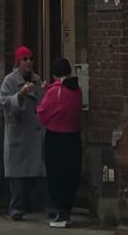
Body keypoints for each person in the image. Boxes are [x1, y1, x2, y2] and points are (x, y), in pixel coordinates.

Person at [0, 46, 45, 221]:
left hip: (34, 132)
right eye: (24, 59)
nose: (28, 62)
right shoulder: (9, 81)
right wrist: (20, 95)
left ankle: (38, 205)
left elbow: (42, 102)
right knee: (17, 173)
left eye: (30, 59)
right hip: (18, 132)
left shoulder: (37, 80)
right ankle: (15, 207)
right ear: (18, 62)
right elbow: (4, 102)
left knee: (37, 170)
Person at [36, 57, 83, 228]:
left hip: (56, 137)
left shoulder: (54, 92)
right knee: (70, 175)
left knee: (56, 176)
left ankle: (60, 214)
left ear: (54, 73)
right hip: (73, 136)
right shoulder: (77, 89)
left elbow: (43, 113)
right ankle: (67, 211)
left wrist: (45, 92)